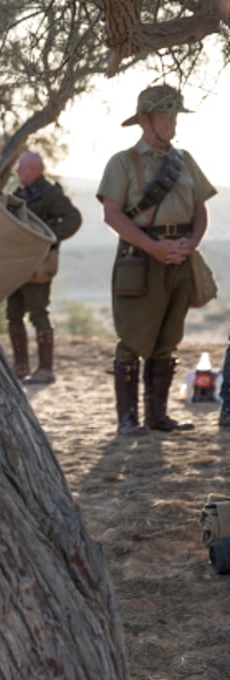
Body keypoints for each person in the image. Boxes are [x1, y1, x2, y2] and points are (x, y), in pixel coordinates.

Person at [96, 84, 216, 437]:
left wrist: (190, 244)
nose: (174, 122)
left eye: (176, 114)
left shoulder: (185, 160)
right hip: (140, 258)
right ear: (146, 120)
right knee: (134, 336)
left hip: (179, 256)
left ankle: (158, 417)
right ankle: (127, 420)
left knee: (168, 337)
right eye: (168, 115)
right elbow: (112, 214)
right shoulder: (122, 163)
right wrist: (152, 247)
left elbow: (200, 210)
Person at [5, 152, 82, 384]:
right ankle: (21, 367)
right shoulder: (19, 195)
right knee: (14, 314)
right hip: (16, 262)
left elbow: (73, 219)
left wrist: (48, 237)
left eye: (22, 168)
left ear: (34, 170)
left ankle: (45, 369)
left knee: (38, 313)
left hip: (38, 264)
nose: (18, 172)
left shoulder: (50, 195)